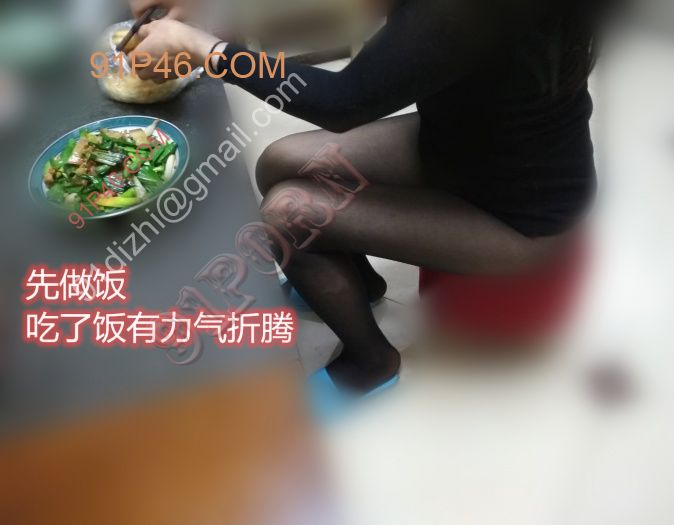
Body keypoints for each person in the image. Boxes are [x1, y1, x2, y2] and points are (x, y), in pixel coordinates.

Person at [129, 0, 610, 395]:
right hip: (460, 145)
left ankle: (373, 361)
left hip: (520, 216)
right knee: (279, 161)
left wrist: (206, 50)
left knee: (286, 216)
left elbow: (344, 103)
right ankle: (361, 284)